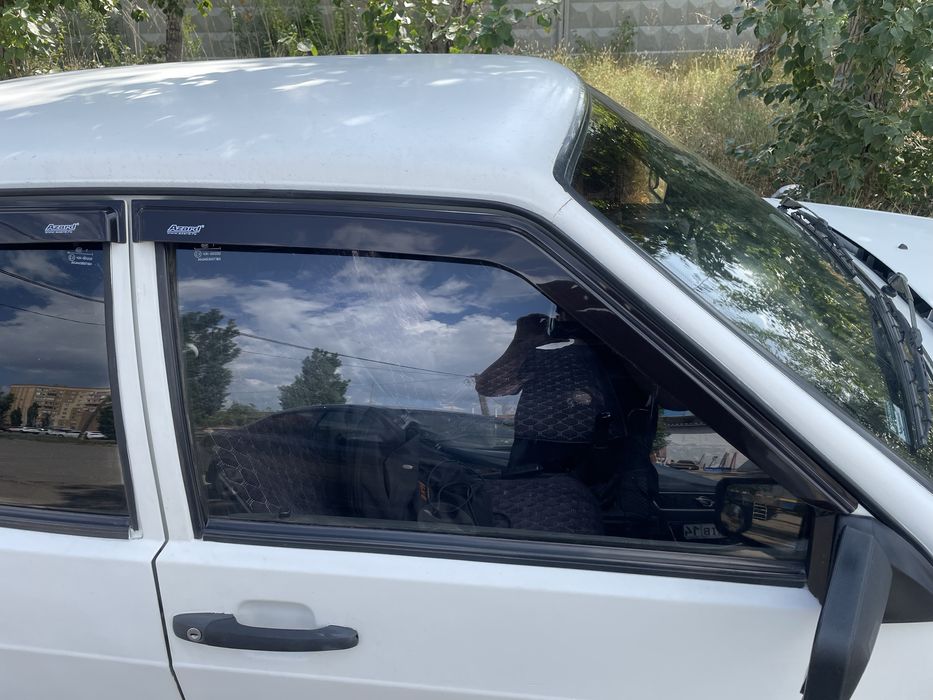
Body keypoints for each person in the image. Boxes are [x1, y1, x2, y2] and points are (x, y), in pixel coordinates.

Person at [476, 306, 661, 535]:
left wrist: (623, 343)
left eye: (592, 314)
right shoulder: (544, 358)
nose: (579, 321)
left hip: (620, 480)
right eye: (571, 313)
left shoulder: (632, 360)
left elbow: (675, 398)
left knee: (629, 544)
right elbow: (489, 387)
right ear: (559, 317)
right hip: (538, 476)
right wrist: (522, 342)